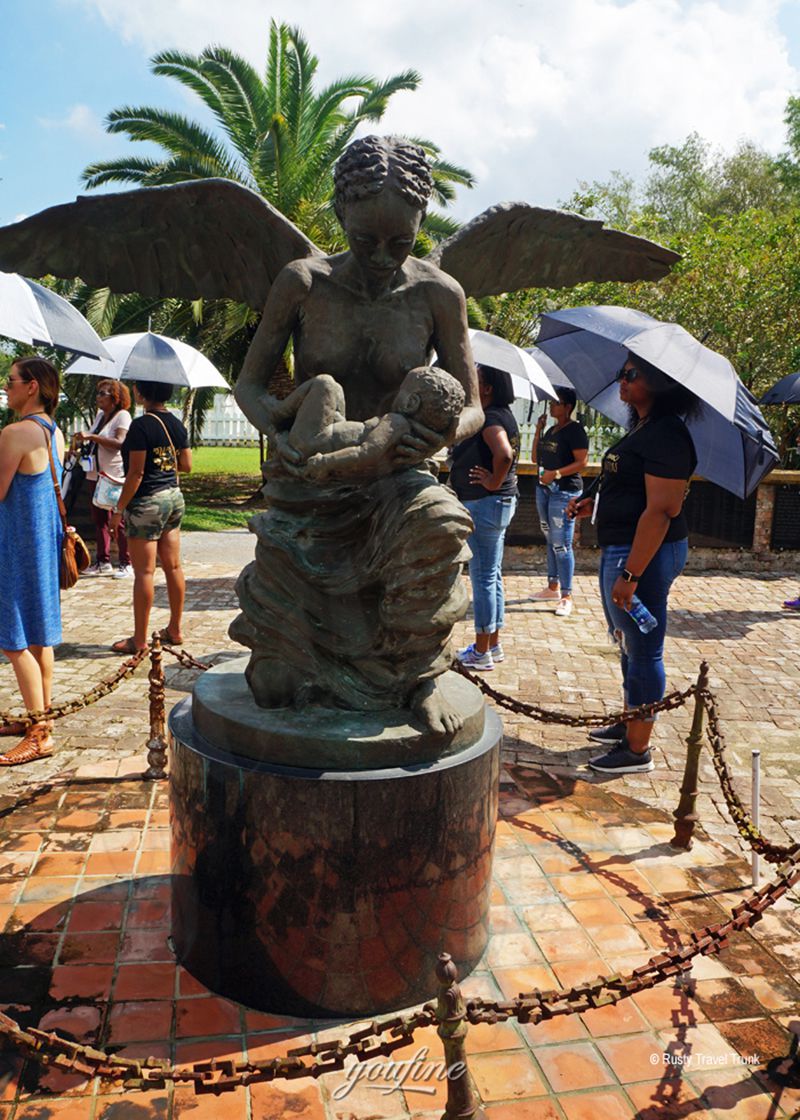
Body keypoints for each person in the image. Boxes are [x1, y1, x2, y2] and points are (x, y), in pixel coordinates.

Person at [233, 135, 482, 734]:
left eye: (401, 241)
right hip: (310, 478)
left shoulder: (438, 294)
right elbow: (249, 385)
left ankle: (417, 674)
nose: (381, 256)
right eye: (365, 239)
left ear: (421, 222)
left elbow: (473, 405)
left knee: (441, 523)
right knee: (272, 691)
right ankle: (300, 651)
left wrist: (442, 438)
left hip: (396, 475)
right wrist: (280, 431)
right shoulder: (303, 281)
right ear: (340, 213)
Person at [567, 352, 700, 775]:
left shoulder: (667, 435)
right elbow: (631, 487)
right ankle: (630, 723)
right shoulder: (642, 426)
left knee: (644, 648)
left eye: (631, 374)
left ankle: (637, 750)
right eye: (621, 372)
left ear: (659, 383)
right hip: (625, 547)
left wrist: (631, 575)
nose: (621, 380)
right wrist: (593, 502)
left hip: (644, 554)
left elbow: (662, 510)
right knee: (627, 642)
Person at [0, 357, 65, 766]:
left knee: (13, 638)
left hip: (16, 544)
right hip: (42, 541)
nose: (6, 387)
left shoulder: (15, 433)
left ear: (32, 387)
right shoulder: (52, 430)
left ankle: (39, 732)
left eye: (11, 381)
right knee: (40, 635)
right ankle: (41, 719)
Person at [265, 366, 464, 482]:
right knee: (335, 389)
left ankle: (280, 411)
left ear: (411, 403)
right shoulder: (412, 435)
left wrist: (324, 462)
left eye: (402, 389)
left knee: (325, 383)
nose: (396, 393)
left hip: (312, 443)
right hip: (327, 435)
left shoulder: (396, 422)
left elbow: (366, 451)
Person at [109, 380, 191, 653]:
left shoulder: (141, 426)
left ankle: (139, 640)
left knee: (144, 572)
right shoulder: (176, 424)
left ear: (142, 393)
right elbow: (187, 465)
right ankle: (175, 629)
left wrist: (119, 508)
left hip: (147, 502)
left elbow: (136, 473)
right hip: (173, 498)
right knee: (173, 567)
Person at [451, 364, 520, 671]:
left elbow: (504, 455)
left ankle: (482, 652)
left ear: (488, 387)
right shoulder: (504, 414)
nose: (471, 382)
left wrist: (492, 481)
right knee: (492, 575)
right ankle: (492, 644)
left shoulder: (491, 418)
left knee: (482, 577)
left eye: (476, 378)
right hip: (497, 503)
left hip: (486, 503)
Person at [531, 386, 589, 618]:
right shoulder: (552, 430)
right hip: (544, 489)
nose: (553, 405)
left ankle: (567, 596)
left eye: (557, 402)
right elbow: (536, 458)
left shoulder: (575, 431)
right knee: (549, 537)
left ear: (568, 407)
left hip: (564, 491)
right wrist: (538, 431)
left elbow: (582, 462)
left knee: (562, 543)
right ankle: (552, 587)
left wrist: (556, 474)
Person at [72, 378, 132, 577]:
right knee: (99, 519)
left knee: (117, 519)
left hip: (112, 475)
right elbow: (94, 440)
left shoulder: (122, 416)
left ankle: (126, 562)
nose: (98, 397)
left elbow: (119, 442)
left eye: (102, 394)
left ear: (115, 398)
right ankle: (103, 560)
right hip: (94, 473)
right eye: (98, 393)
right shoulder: (100, 416)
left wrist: (91, 437)